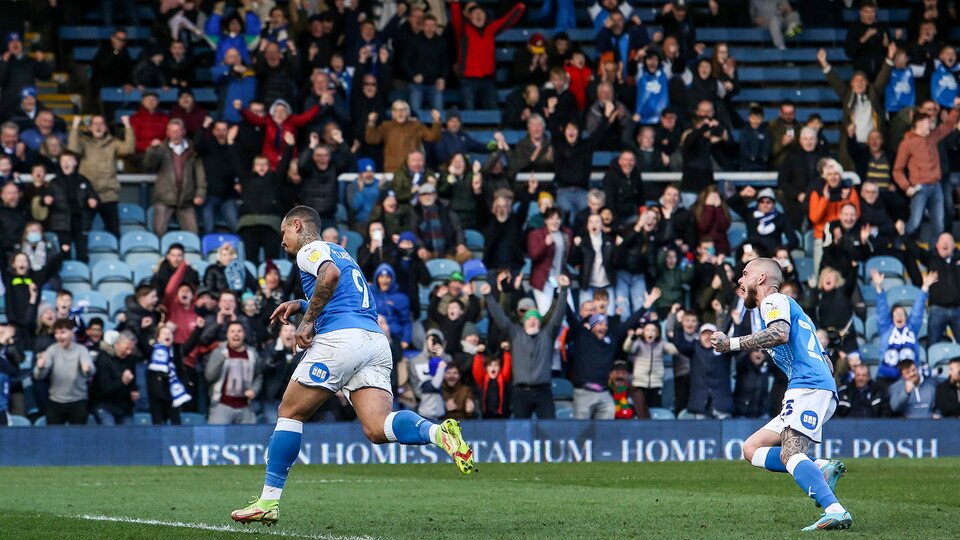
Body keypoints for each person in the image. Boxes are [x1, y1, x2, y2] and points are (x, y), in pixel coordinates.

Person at [231, 206, 476, 526]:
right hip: (374, 341)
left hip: (341, 340)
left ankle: (268, 501)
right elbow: (342, 294)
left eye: (283, 232)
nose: (282, 241)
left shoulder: (309, 250)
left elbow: (329, 276)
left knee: (289, 412)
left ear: (297, 225)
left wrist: (307, 321)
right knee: (377, 427)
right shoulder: (342, 252)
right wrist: (300, 304)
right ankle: (438, 433)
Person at [711, 258, 851, 531]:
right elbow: (827, 361)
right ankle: (820, 467)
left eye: (745, 274)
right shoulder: (795, 311)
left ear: (761, 278)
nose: (740, 280)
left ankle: (835, 510)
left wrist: (731, 343)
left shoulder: (773, 301)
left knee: (791, 452)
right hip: (811, 386)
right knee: (751, 449)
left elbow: (779, 334)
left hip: (808, 387)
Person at [482, 274, 569, 419]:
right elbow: (500, 318)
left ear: (540, 323)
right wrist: (488, 297)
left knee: (548, 428)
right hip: (520, 393)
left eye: (536, 319)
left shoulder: (547, 335)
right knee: (521, 429)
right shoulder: (516, 334)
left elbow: (558, 315)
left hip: (543, 392)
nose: (533, 321)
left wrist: (564, 290)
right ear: (524, 322)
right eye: (529, 319)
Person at [892, 97, 960, 245]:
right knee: (914, 223)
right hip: (920, 188)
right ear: (919, 124)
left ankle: (932, 255)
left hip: (936, 186)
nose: (931, 123)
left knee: (938, 225)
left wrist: (957, 108)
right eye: (928, 122)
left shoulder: (932, 136)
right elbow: (897, 170)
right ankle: (897, 247)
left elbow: (948, 125)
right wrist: (906, 186)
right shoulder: (907, 143)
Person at [872, 269, 936, 389]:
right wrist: (879, 287)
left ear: (906, 317)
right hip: (886, 377)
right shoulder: (886, 329)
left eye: (902, 314)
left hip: (909, 376)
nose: (899, 316)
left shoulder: (912, 328)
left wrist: (925, 287)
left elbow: (917, 310)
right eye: (896, 314)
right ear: (891, 318)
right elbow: (882, 309)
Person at [144, 119, 206, 236]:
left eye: (178, 131)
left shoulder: (192, 150)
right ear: (167, 133)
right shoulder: (161, 148)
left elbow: (200, 174)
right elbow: (149, 165)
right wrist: (152, 150)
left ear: (183, 132)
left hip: (186, 199)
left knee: (193, 234)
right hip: (164, 198)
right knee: (158, 232)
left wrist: (200, 193)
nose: (175, 135)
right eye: (172, 132)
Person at [33, 319, 95, 425]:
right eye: (56, 333)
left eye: (62, 333)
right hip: (56, 402)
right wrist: (40, 368)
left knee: (78, 434)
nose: (59, 336)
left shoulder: (81, 350)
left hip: (78, 401)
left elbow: (91, 371)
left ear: (72, 333)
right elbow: (38, 376)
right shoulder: (51, 350)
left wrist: (88, 368)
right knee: (53, 434)